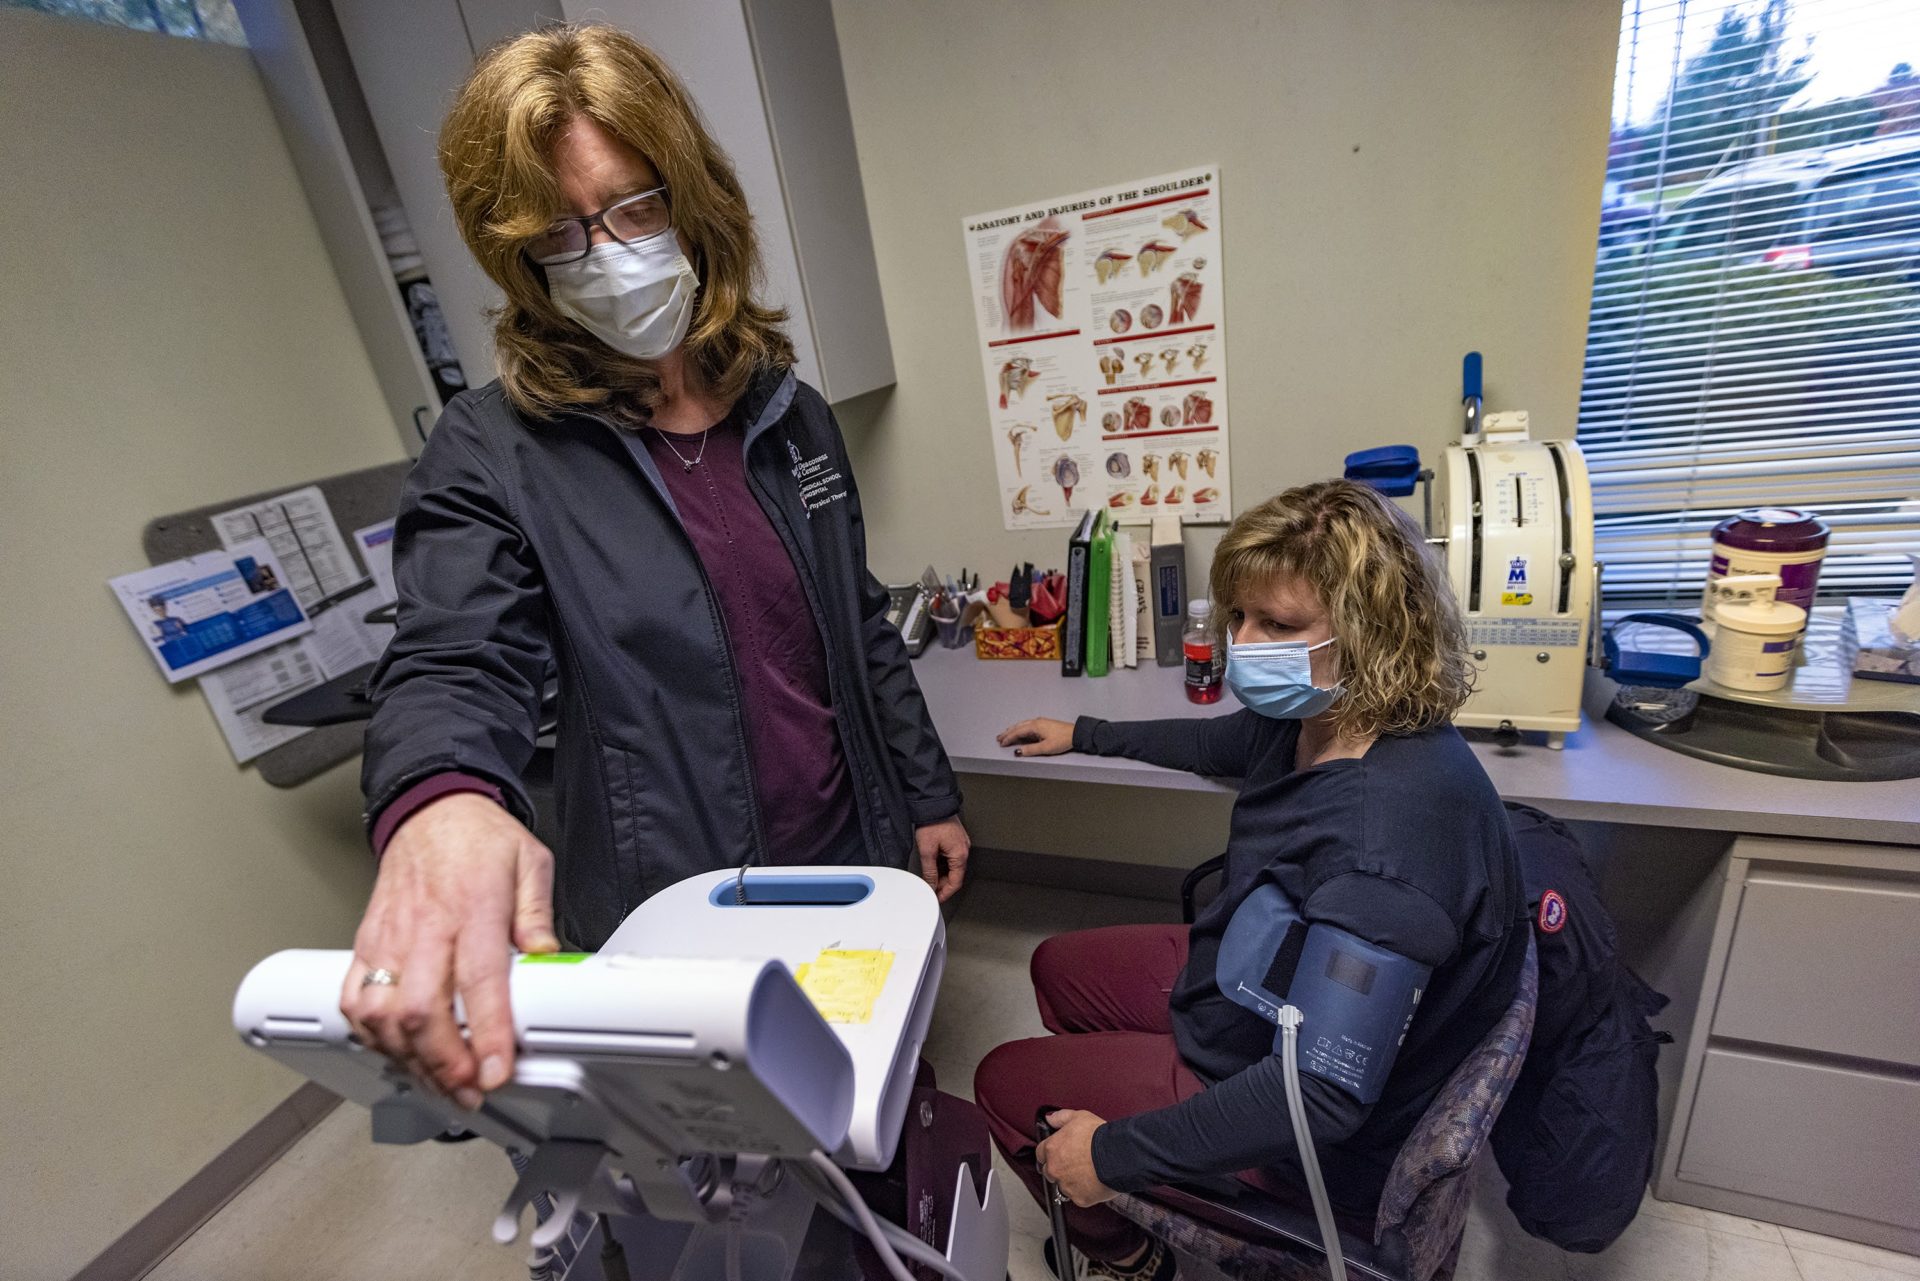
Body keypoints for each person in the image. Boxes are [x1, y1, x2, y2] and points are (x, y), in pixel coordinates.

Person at [341, 24, 969, 1113]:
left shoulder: (791, 413)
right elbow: (453, 655)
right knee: (739, 1151)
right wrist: (440, 799)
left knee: (864, 1099)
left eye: (635, 207)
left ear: (695, 200)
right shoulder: (495, 451)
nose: (609, 253)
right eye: (561, 235)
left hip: (846, 847)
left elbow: (859, 626)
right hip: (677, 895)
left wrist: (926, 793)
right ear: (520, 261)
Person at [981, 480, 1527, 1281]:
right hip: (1265, 978)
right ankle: (1129, 1110)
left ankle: (1125, 1251)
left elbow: (1320, 1098)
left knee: (1002, 1080)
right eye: (1239, 615)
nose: (1243, 642)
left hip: (1304, 1117)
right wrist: (1086, 732)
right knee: (1056, 968)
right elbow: (1223, 744)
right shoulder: (1328, 715)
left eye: (1278, 624)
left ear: (1370, 633)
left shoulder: (1388, 843)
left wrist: (1111, 1152)